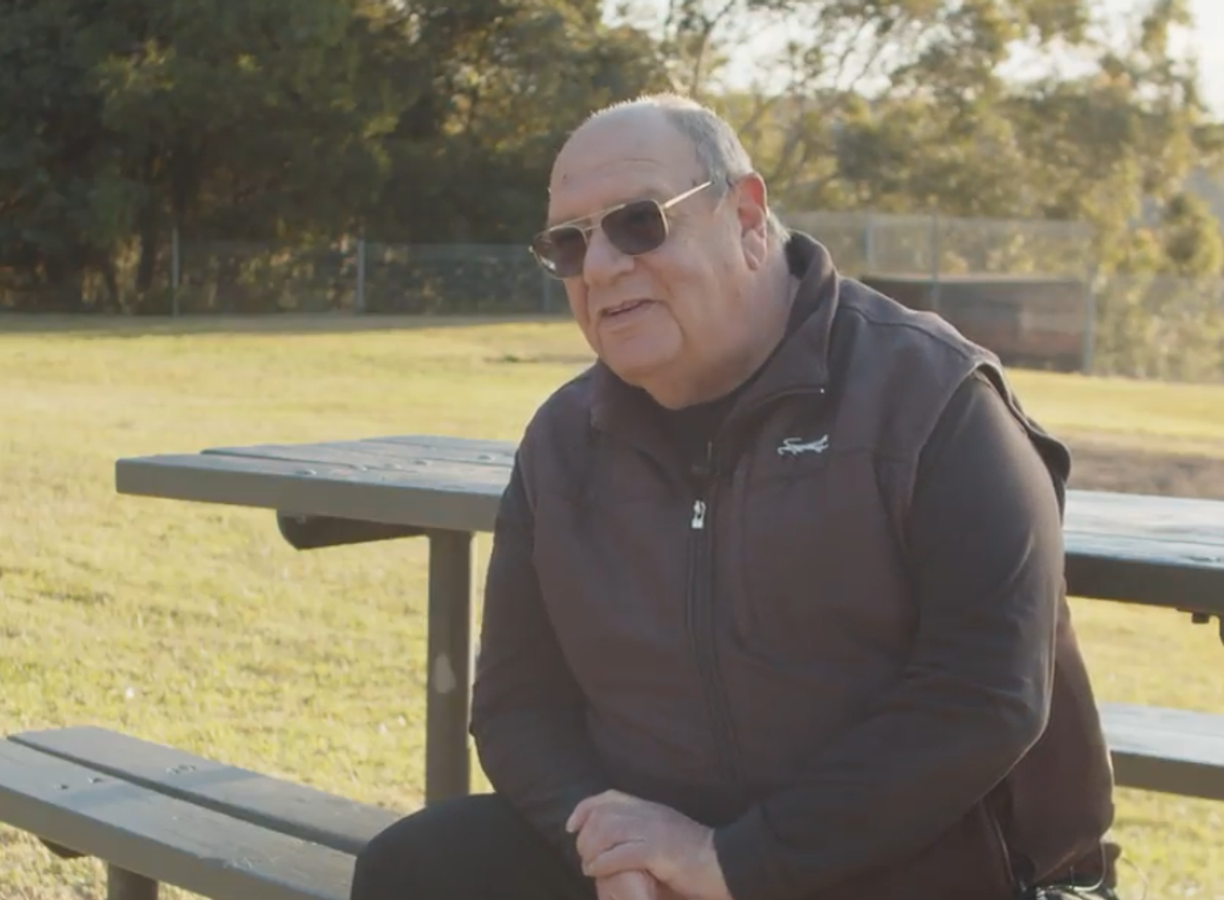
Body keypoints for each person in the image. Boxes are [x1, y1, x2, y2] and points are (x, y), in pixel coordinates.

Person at [349, 93, 1120, 900]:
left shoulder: (931, 397)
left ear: (747, 217)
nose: (601, 266)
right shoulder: (562, 441)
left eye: (638, 223)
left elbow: (985, 696)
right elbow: (516, 706)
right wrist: (613, 848)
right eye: (569, 244)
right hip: (667, 862)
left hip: (923, 867)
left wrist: (739, 862)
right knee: (416, 869)